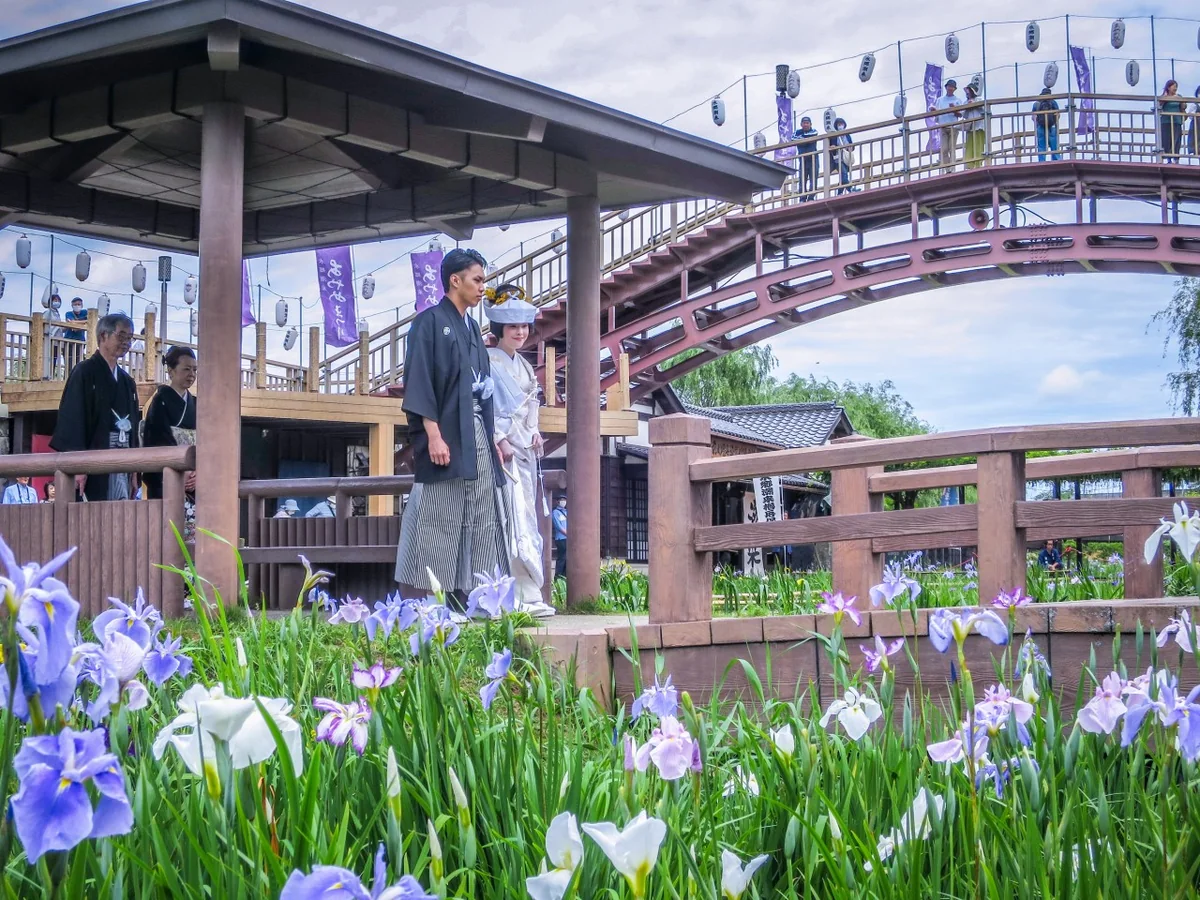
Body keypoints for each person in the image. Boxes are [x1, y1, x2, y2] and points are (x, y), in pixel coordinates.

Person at [394, 248, 509, 608]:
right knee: (441, 511)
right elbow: (420, 379)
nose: (483, 287)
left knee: (482, 511)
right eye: (477, 280)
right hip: (445, 430)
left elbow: (483, 387)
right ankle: (434, 600)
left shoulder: (473, 328)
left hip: (476, 430)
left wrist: (492, 439)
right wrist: (432, 434)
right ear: (455, 280)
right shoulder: (427, 322)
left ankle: (477, 597)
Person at [485, 284, 555, 618]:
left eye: (524, 326)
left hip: (524, 449)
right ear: (500, 328)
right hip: (503, 452)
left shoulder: (525, 366)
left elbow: (531, 405)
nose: (520, 332)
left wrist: (535, 431)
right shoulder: (488, 361)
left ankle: (529, 592)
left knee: (526, 519)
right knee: (507, 520)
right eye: (513, 326)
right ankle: (510, 594)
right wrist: (499, 438)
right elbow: (483, 405)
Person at [49, 312, 140, 501]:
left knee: (121, 511)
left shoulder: (127, 381)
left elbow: (133, 425)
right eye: (121, 336)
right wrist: (78, 465)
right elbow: (73, 420)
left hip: (123, 459)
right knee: (94, 511)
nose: (126, 342)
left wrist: (134, 470)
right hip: (93, 459)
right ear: (103, 336)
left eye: (129, 338)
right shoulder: (84, 372)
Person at [141, 346, 197, 541]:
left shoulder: (197, 403)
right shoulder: (160, 401)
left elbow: (208, 442)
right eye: (186, 369)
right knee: (169, 537)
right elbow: (157, 440)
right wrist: (181, 471)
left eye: (194, 369)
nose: (191, 374)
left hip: (194, 478)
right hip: (169, 475)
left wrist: (198, 470)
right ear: (171, 371)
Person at [933, 79, 962, 173]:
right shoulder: (940, 100)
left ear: (954, 89)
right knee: (944, 149)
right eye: (949, 86)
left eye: (952, 87)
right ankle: (947, 169)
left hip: (953, 126)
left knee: (951, 148)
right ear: (946, 87)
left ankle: (952, 169)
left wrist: (954, 109)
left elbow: (960, 114)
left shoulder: (957, 100)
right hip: (943, 126)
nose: (950, 88)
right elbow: (936, 113)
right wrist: (933, 111)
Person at [793, 116, 820, 199]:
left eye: (807, 123)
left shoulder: (814, 131)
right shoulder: (797, 132)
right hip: (802, 159)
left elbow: (814, 135)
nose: (806, 125)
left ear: (810, 124)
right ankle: (802, 198)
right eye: (804, 123)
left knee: (813, 178)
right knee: (802, 179)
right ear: (801, 124)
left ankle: (811, 197)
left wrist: (801, 139)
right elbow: (793, 138)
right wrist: (807, 140)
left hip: (813, 159)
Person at [1032, 88, 1061, 162]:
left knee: (1041, 144)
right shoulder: (1053, 102)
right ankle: (1056, 160)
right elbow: (1058, 114)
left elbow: (1033, 117)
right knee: (1054, 144)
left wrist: (1038, 122)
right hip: (1052, 125)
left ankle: (1042, 161)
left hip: (1040, 126)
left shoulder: (1036, 103)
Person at [829, 118, 856, 194]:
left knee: (843, 176)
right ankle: (850, 189)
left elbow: (851, 145)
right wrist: (833, 147)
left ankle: (839, 193)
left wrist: (851, 147)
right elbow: (830, 147)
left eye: (841, 124)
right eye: (839, 124)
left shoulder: (847, 135)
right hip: (838, 159)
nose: (840, 126)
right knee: (844, 174)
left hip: (846, 158)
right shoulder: (834, 135)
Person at [1160, 80, 1184, 163]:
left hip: (1176, 121)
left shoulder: (1179, 96)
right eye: (1173, 86)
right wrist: (1165, 97)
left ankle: (1176, 158)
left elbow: (1183, 107)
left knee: (1176, 140)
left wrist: (1182, 102)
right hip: (1166, 121)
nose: (1175, 88)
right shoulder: (1164, 96)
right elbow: (1159, 105)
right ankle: (1168, 158)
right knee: (1166, 139)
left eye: (1176, 86)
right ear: (1168, 87)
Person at [961, 84, 985, 169]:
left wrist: (975, 105)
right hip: (970, 127)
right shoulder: (965, 102)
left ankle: (978, 164)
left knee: (978, 145)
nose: (968, 93)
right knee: (969, 146)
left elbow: (984, 111)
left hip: (979, 126)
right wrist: (968, 107)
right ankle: (970, 165)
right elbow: (964, 115)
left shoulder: (979, 99)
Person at [552, 495, 568, 582]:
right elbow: (558, 526)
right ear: (557, 501)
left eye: (564, 499)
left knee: (567, 559)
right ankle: (557, 578)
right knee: (561, 558)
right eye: (561, 499)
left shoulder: (567, 512)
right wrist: (567, 533)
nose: (563, 501)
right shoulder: (555, 512)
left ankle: (564, 578)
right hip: (561, 539)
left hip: (568, 538)